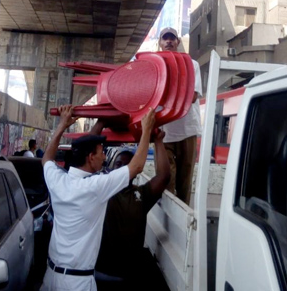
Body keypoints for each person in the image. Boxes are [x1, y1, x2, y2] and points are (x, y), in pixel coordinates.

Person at [41, 105, 156, 291]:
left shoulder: (58, 180)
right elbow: (136, 167)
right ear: (90, 157)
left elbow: (46, 158)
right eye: (102, 152)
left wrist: (62, 124)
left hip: (51, 276)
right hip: (76, 283)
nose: (104, 157)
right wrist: (147, 129)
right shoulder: (94, 187)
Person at [95, 130, 170, 290]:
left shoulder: (142, 194)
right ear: (112, 167)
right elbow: (85, 162)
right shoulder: (101, 190)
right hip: (101, 273)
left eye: (127, 165)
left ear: (135, 170)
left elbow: (163, 177)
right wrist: (101, 125)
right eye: (118, 164)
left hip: (130, 277)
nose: (122, 168)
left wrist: (158, 141)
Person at [158, 27, 203, 205]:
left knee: (185, 179)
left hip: (187, 130)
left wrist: (164, 95)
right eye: (165, 38)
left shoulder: (192, 65)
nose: (168, 41)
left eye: (172, 38)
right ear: (160, 43)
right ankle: (168, 214)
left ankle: (183, 220)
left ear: (177, 42)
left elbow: (192, 96)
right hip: (164, 131)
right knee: (166, 176)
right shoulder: (155, 65)